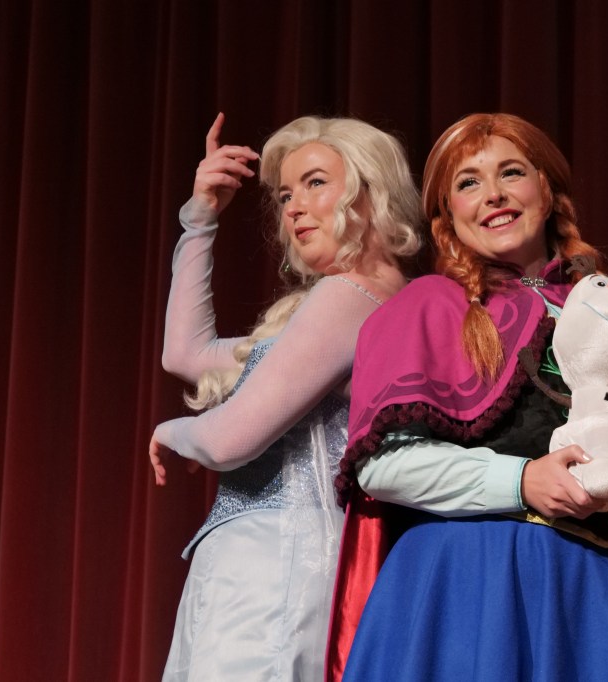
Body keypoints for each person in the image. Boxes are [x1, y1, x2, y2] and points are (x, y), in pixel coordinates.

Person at [327, 113, 608, 681]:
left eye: (511, 172)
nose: (493, 194)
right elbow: (384, 467)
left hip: (606, 590)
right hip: (476, 583)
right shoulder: (427, 307)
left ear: (548, 189)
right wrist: (522, 481)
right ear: (447, 215)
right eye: (468, 182)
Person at [148, 112, 422, 681]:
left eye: (315, 182)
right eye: (285, 195)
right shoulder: (359, 302)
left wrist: (170, 432)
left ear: (371, 189)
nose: (293, 207)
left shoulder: (347, 296)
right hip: (275, 564)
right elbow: (187, 354)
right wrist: (200, 218)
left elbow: (229, 440)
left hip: (276, 568)